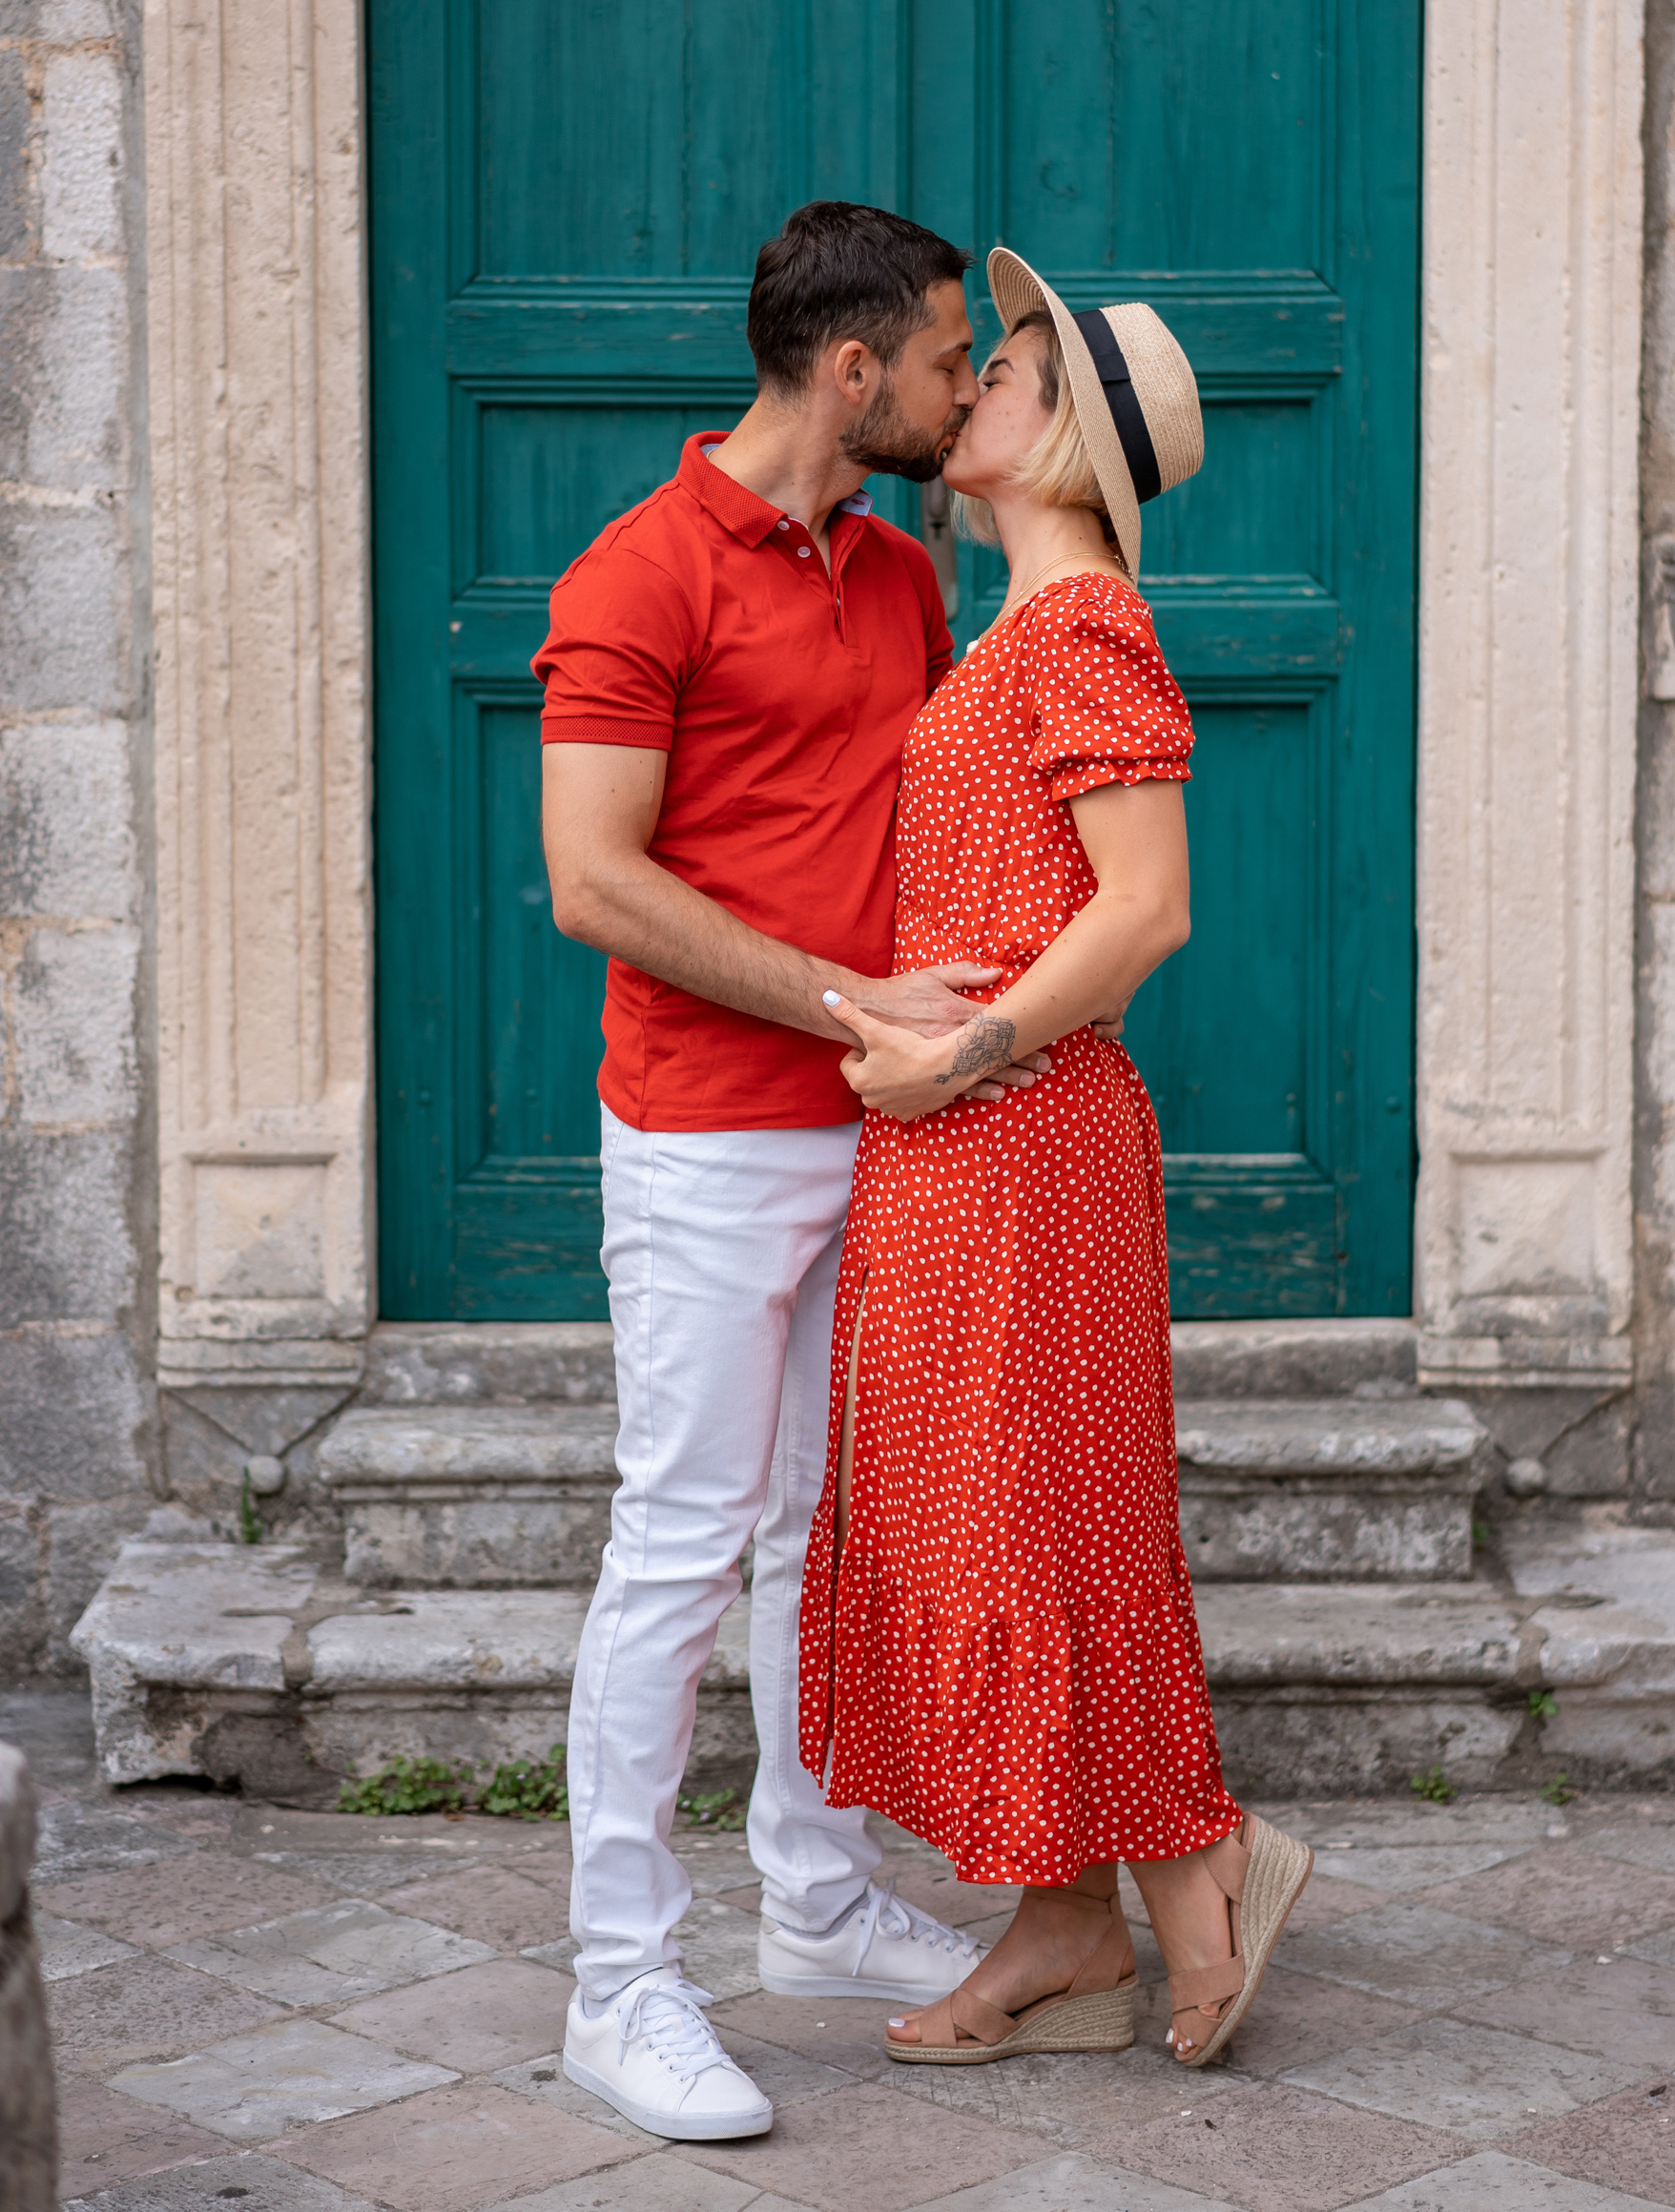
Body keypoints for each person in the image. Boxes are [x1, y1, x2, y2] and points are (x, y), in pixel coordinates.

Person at [533, 203, 1055, 2145]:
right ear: (852, 371)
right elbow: (598, 883)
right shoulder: (635, 577)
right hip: (703, 1138)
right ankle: (618, 1983)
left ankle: (815, 1900)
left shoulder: (897, 578)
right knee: (679, 1541)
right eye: (941, 359)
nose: (958, 386)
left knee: (810, 1537)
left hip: (883, 1128)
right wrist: (855, 997)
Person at [797, 247, 1314, 2071]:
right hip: (960, 1148)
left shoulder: (1085, 626)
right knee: (995, 1521)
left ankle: (1189, 1884)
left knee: (1044, 1527)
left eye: (1001, 373)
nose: (968, 392)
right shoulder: (1012, 627)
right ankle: (1066, 1915)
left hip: (1018, 1137)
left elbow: (1149, 910)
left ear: (1062, 442)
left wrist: (963, 1053)